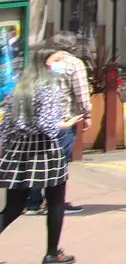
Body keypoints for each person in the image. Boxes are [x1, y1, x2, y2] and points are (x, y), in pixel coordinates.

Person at [0, 48, 80, 264]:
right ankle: (52, 254)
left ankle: (53, 254)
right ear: (45, 63)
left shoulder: (20, 88)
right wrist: (63, 125)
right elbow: (47, 126)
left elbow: (5, 126)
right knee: (56, 201)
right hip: (44, 150)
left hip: (19, 149)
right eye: (57, 59)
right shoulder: (49, 88)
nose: (62, 62)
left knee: (14, 207)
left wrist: (5, 151)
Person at [27, 36, 88, 216]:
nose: (60, 62)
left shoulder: (36, 66)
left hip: (39, 124)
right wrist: (86, 114)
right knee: (57, 163)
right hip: (61, 122)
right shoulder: (74, 64)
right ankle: (52, 202)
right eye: (57, 59)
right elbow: (81, 91)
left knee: (39, 161)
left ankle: (33, 202)